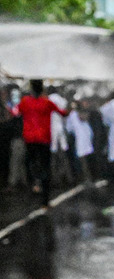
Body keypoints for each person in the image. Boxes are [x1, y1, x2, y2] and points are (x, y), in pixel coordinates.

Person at [17, 79, 68, 207]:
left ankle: (33, 185)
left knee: (29, 164)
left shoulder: (25, 102)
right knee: (46, 167)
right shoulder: (47, 103)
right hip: (44, 139)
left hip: (29, 139)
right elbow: (62, 113)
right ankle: (45, 200)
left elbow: (15, 112)